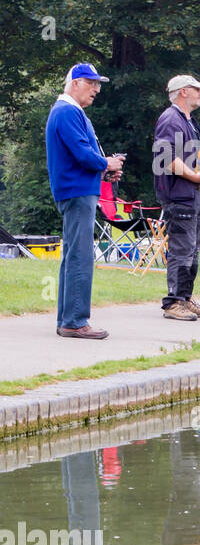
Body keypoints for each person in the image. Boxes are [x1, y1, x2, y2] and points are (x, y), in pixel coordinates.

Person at [45, 63, 125, 339]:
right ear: (75, 83)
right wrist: (107, 162)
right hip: (77, 193)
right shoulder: (67, 111)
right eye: (91, 83)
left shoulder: (68, 111)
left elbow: (78, 157)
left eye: (98, 84)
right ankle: (76, 322)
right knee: (80, 256)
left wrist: (104, 170)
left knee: (72, 256)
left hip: (77, 189)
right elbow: (81, 154)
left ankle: (68, 319)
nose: (96, 89)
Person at [153, 75, 200, 321]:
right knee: (182, 249)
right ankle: (174, 302)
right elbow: (165, 156)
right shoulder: (170, 119)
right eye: (197, 89)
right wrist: (194, 176)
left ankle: (185, 297)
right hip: (180, 196)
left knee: (194, 249)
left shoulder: (188, 121)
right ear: (182, 92)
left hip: (194, 194)